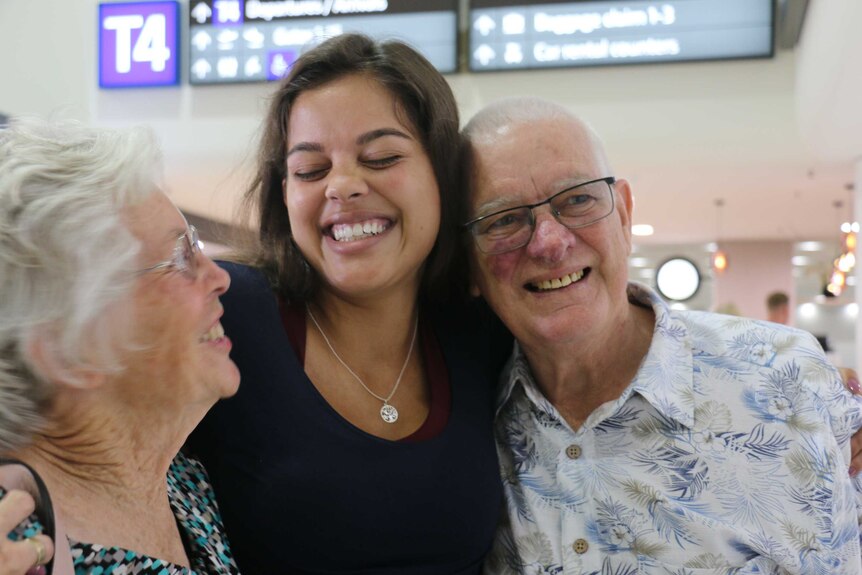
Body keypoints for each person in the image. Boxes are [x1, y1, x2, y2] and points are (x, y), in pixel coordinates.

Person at [459, 97, 862, 574]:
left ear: (624, 215)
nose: (550, 241)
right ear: (468, 264)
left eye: (578, 200)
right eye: (504, 220)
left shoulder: (785, 382)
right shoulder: (465, 418)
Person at [187, 34, 507, 574]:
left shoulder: (486, 334)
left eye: (380, 157)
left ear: (443, 175)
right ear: (282, 193)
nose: (343, 186)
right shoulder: (223, 312)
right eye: (310, 170)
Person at [0, 117, 241, 574]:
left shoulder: (182, 481)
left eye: (197, 244)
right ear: (68, 349)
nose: (221, 277)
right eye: (179, 258)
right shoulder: (14, 544)